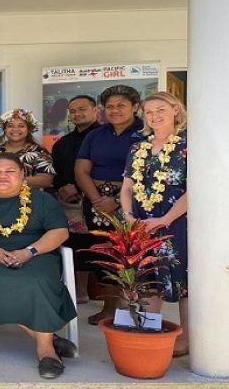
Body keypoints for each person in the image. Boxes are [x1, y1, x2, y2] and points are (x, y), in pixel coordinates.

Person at [0, 153, 76, 379]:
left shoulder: (42, 200)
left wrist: (29, 251)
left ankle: (46, 351)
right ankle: (48, 338)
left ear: (23, 175)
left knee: (36, 281)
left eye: (10, 171)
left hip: (38, 256)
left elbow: (60, 232)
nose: (3, 176)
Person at [120, 91, 188, 356]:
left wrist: (165, 219)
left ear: (175, 110)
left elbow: (195, 189)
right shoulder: (138, 147)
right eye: (149, 111)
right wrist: (128, 217)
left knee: (184, 284)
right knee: (146, 279)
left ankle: (188, 340)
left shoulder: (188, 145)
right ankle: (147, 334)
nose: (154, 116)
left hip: (176, 222)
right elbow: (127, 187)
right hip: (141, 223)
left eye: (160, 109)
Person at [75, 84, 144, 325]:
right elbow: (81, 170)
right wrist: (96, 200)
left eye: (121, 105)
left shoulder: (145, 133)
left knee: (130, 254)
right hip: (96, 200)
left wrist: (116, 200)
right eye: (110, 106)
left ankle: (132, 311)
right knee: (103, 252)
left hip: (132, 199)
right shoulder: (95, 135)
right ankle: (109, 308)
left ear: (135, 107)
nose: (114, 110)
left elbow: (147, 172)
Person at [51, 95, 101, 303]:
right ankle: (79, 292)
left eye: (82, 109)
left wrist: (83, 189)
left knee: (99, 244)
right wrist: (63, 186)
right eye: (73, 111)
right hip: (69, 203)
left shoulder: (104, 136)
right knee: (75, 244)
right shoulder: (62, 143)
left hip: (100, 199)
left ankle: (108, 297)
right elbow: (56, 171)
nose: (77, 114)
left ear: (95, 110)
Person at [0, 108, 55, 189]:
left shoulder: (39, 151)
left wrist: (13, 181)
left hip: (31, 199)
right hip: (1, 198)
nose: (15, 129)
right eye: (10, 126)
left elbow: (46, 180)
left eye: (21, 126)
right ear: (4, 129)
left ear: (29, 129)